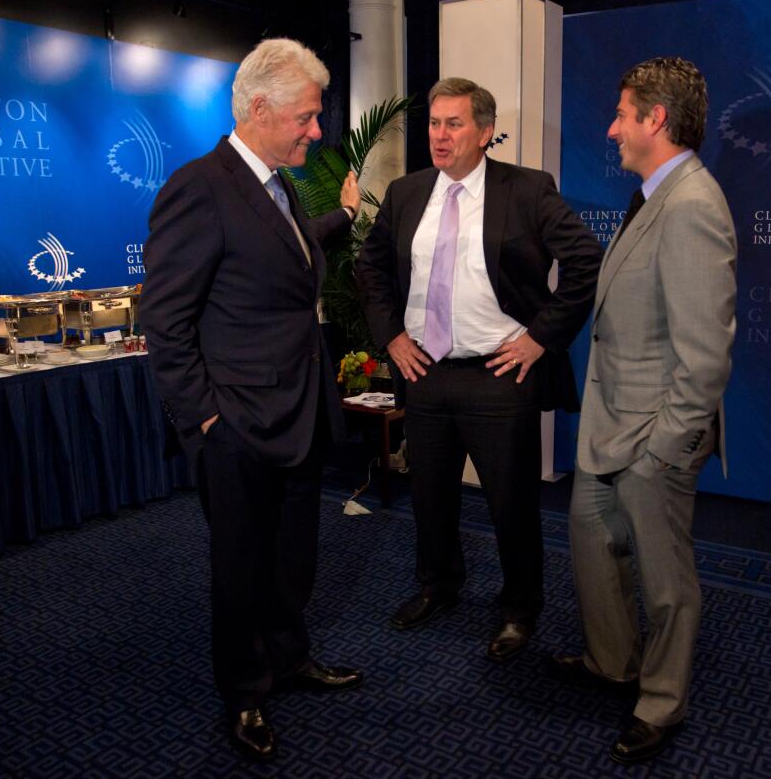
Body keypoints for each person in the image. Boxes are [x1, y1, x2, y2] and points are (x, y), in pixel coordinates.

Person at [138, 37, 363, 762]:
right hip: (234, 426)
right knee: (239, 566)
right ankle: (244, 694)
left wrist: (344, 220)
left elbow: (286, 257)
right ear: (259, 109)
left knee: (292, 556)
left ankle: (289, 659)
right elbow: (165, 320)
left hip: (298, 413)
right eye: (307, 116)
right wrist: (204, 420)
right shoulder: (198, 188)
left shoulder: (280, 184)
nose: (318, 130)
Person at [355, 78, 601, 662]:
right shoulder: (406, 192)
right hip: (425, 371)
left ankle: (520, 607)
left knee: (510, 503)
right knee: (430, 495)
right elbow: (370, 269)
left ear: (485, 133)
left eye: (454, 124)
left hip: (499, 374)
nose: (439, 137)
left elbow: (585, 259)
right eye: (435, 124)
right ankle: (438, 585)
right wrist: (390, 335)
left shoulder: (527, 190)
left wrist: (540, 339)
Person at [552, 57, 737, 765]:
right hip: (609, 426)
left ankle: (660, 701)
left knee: (666, 585)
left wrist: (664, 449)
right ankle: (611, 664)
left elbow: (704, 358)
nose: (612, 128)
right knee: (594, 550)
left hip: (653, 438)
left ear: (656, 120)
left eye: (623, 114)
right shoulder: (654, 194)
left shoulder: (692, 205)